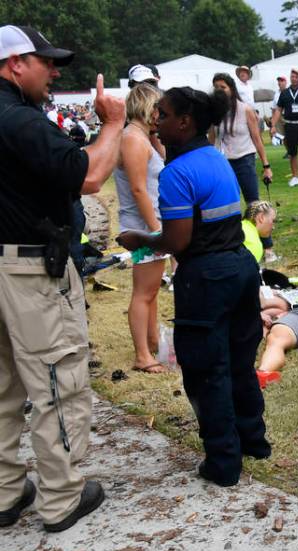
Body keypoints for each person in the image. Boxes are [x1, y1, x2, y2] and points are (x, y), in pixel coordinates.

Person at [0, 25, 126, 532]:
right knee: (58, 380)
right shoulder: (20, 121)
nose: (54, 72)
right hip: (29, 269)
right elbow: (89, 176)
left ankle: (7, 491)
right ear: (14, 65)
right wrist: (113, 124)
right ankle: (61, 498)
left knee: (4, 385)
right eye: (45, 62)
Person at [117, 87, 269, 488]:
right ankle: (254, 440)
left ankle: (223, 462)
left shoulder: (176, 173)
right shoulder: (215, 159)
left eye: (163, 115)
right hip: (240, 267)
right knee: (239, 359)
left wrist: (142, 240)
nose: (156, 121)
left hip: (207, 277)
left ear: (185, 122)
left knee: (206, 370)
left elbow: (177, 241)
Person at [114, 82, 169, 374]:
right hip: (143, 227)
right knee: (143, 292)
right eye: (159, 108)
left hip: (147, 225)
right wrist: (156, 231)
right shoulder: (133, 138)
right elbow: (138, 189)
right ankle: (142, 355)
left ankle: (151, 343)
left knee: (151, 291)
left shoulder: (140, 136)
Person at [211, 73, 275, 262]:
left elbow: (257, 139)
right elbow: (212, 139)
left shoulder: (245, 109)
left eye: (222, 86)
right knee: (230, 204)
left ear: (231, 88)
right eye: (216, 87)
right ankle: (237, 244)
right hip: (224, 163)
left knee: (254, 204)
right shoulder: (216, 113)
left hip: (244, 160)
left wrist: (266, 165)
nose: (219, 90)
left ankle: (268, 246)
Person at [241, 200, 276, 265]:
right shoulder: (254, 243)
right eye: (273, 221)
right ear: (261, 217)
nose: (273, 227)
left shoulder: (240, 226)